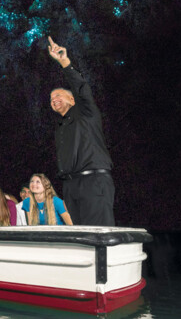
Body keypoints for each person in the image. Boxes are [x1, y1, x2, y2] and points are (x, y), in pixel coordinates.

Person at [46, 36, 116, 226]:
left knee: (98, 233)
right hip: (70, 185)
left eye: (58, 95)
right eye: (51, 99)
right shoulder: (60, 128)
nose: (54, 100)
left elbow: (82, 88)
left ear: (72, 99)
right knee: (80, 235)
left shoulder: (86, 112)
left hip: (93, 181)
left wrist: (64, 62)